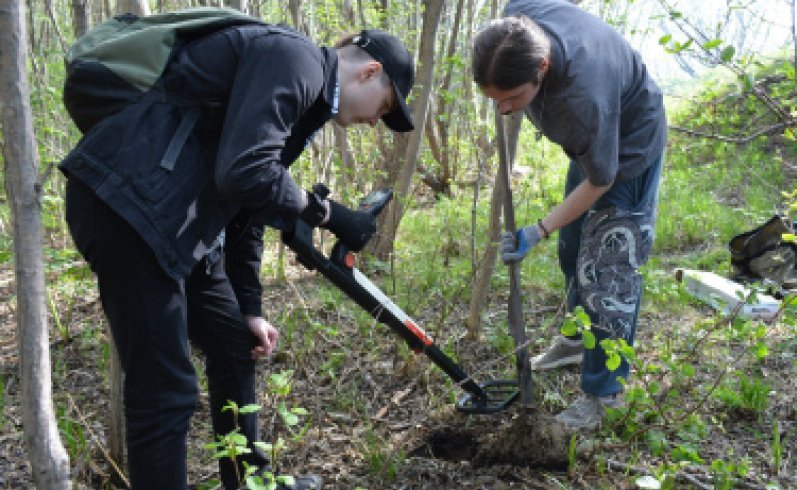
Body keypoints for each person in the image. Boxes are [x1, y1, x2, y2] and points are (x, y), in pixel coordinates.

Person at [61, 15, 415, 490]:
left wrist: (249, 308)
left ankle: (251, 482)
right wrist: (325, 212)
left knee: (233, 345)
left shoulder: (305, 96)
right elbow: (245, 172)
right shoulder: (296, 60)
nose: (376, 121)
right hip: (128, 209)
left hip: (176, 221)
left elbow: (248, 206)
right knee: (165, 390)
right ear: (369, 72)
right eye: (384, 107)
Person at [472, 0, 666, 429]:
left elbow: (601, 179)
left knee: (607, 271)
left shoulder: (580, 100)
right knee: (573, 246)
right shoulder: (517, 25)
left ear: (541, 67)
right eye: (495, 101)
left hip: (630, 144)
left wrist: (537, 229)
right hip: (594, 143)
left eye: (513, 100)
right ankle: (578, 338)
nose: (505, 111)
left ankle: (604, 395)